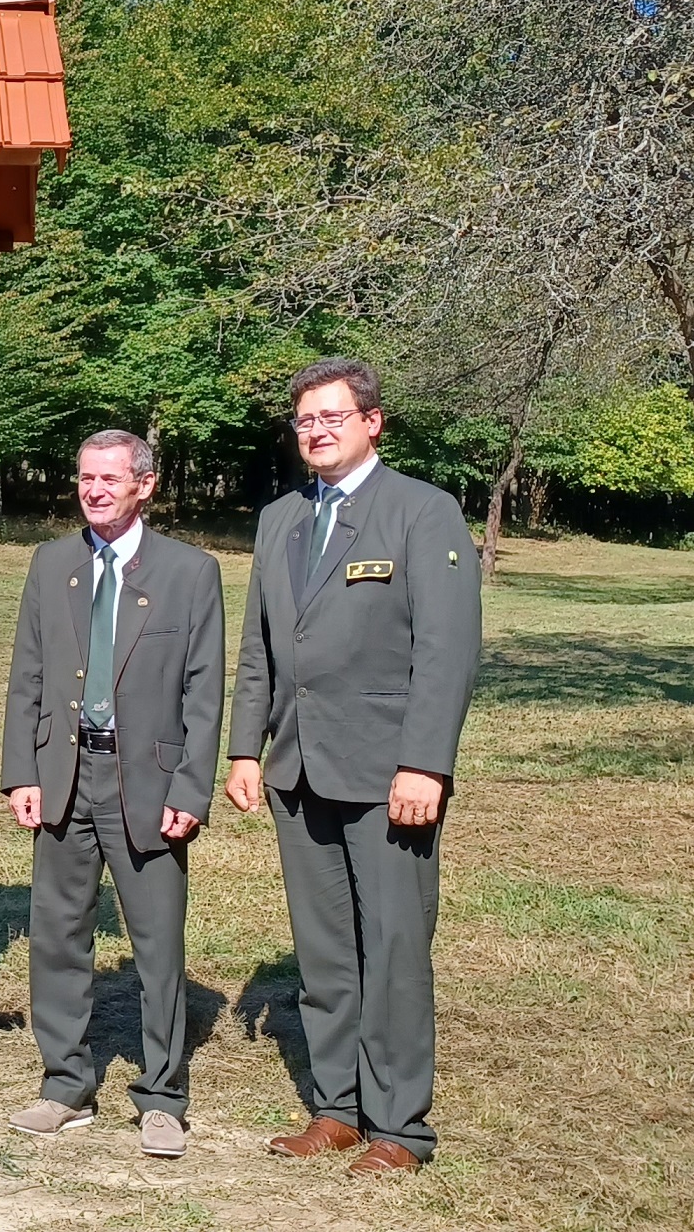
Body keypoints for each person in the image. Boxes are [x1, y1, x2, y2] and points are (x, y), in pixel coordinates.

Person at [225, 358, 481, 1177]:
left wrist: (424, 765)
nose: (318, 430)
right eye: (305, 419)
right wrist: (243, 747)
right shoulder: (279, 521)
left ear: (373, 421)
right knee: (326, 950)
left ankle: (399, 1126)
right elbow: (261, 648)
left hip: (387, 778)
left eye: (333, 416)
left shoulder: (422, 513)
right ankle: (336, 1108)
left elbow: (446, 654)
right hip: (299, 771)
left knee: (396, 946)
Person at [0, 430, 227, 1159]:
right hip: (66, 777)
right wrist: (22, 772)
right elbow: (27, 677)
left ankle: (161, 1096)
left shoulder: (192, 572)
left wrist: (191, 787)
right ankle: (65, 1084)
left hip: (149, 784)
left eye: (109, 478)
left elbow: (203, 692)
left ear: (145, 485)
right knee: (57, 935)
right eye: (85, 477)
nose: (94, 489)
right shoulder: (53, 563)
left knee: (157, 944)